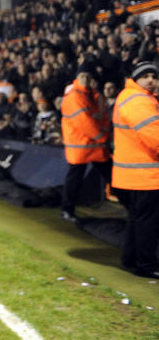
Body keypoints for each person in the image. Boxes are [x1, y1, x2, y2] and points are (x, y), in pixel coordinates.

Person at [112, 61, 159, 279]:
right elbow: (155, 138)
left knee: (137, 219)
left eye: (154, 76)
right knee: (147, 223)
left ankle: (131, 258)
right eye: (146, 76)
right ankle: (147, 265)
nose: (151, 80)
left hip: (134, 174)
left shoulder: (130, 96)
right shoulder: (139, 101)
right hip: (145, 175)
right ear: (136, 78)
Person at [60, 63, 111, 223]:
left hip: (93, 147)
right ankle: (66, 210)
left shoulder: (95, 96)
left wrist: (104, 136)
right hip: (84, 147)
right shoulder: (74, 96)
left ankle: (67, 210)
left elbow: (104, 118)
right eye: (83, 76)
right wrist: (104, 137)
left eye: (88, 76)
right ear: (77, 77)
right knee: (75, 180)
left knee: (113, 177)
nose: (85, 79)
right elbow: (85, 122)